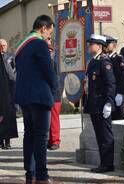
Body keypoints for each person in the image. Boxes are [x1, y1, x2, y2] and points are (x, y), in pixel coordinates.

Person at [15, 15, 60, 184]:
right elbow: (49, 71)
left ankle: (30, 174)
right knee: (41, 137)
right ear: (43, 28)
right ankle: (42, 176)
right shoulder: (40, 43)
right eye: (50, 31)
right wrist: (55, 89)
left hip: (24, 97)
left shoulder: (21, 45)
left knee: (30, 136)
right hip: (40, 96)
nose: (50, 36)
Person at [84, 34, 116, 173]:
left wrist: (109, 103)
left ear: (99, 46)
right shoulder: (92, 62)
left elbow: (111, 84)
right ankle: (103, 162)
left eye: (91, 44)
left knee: (105, 135)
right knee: (99, 135)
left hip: (103, 104)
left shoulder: (105, 62)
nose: (89, 46)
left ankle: (108, 164)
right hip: (94, 104)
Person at [104, 35, 124, 120]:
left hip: (116, 93)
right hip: (108, 93)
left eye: (107, 44)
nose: (105, 46)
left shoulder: (119, 59)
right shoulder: (104, 59)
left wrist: (120, 93)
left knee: (118, 117)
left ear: (114, 45)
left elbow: (123, 77)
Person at [0, 38, 17, 149]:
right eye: (1, 45)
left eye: (4, 45)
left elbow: (15, 69)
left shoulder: (10, 56)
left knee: (10, 115)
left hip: (10, 90)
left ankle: (8, 142)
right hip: (1, 91)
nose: (3, 47)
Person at [46, 38, 62, 151]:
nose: (49, 53)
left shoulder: (52, 62)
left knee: (54, 119)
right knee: (47, 120)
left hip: (54, 94)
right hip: (47, 94)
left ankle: (55, 141)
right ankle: (50, 140)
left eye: (50, 51)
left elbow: (55, 81)